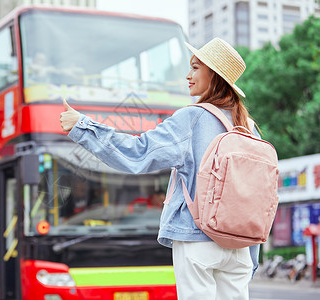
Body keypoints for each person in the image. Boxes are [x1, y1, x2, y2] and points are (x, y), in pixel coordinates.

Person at [60, 37, 261, 299]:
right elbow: (255, 199)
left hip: (196, 238)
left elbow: (138, 153)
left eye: (196, 68)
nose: (188, 75)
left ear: (214, 75)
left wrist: (82, 126)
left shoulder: (194, 117)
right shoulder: (249, 127)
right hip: (240, 247)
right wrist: (250, 255)